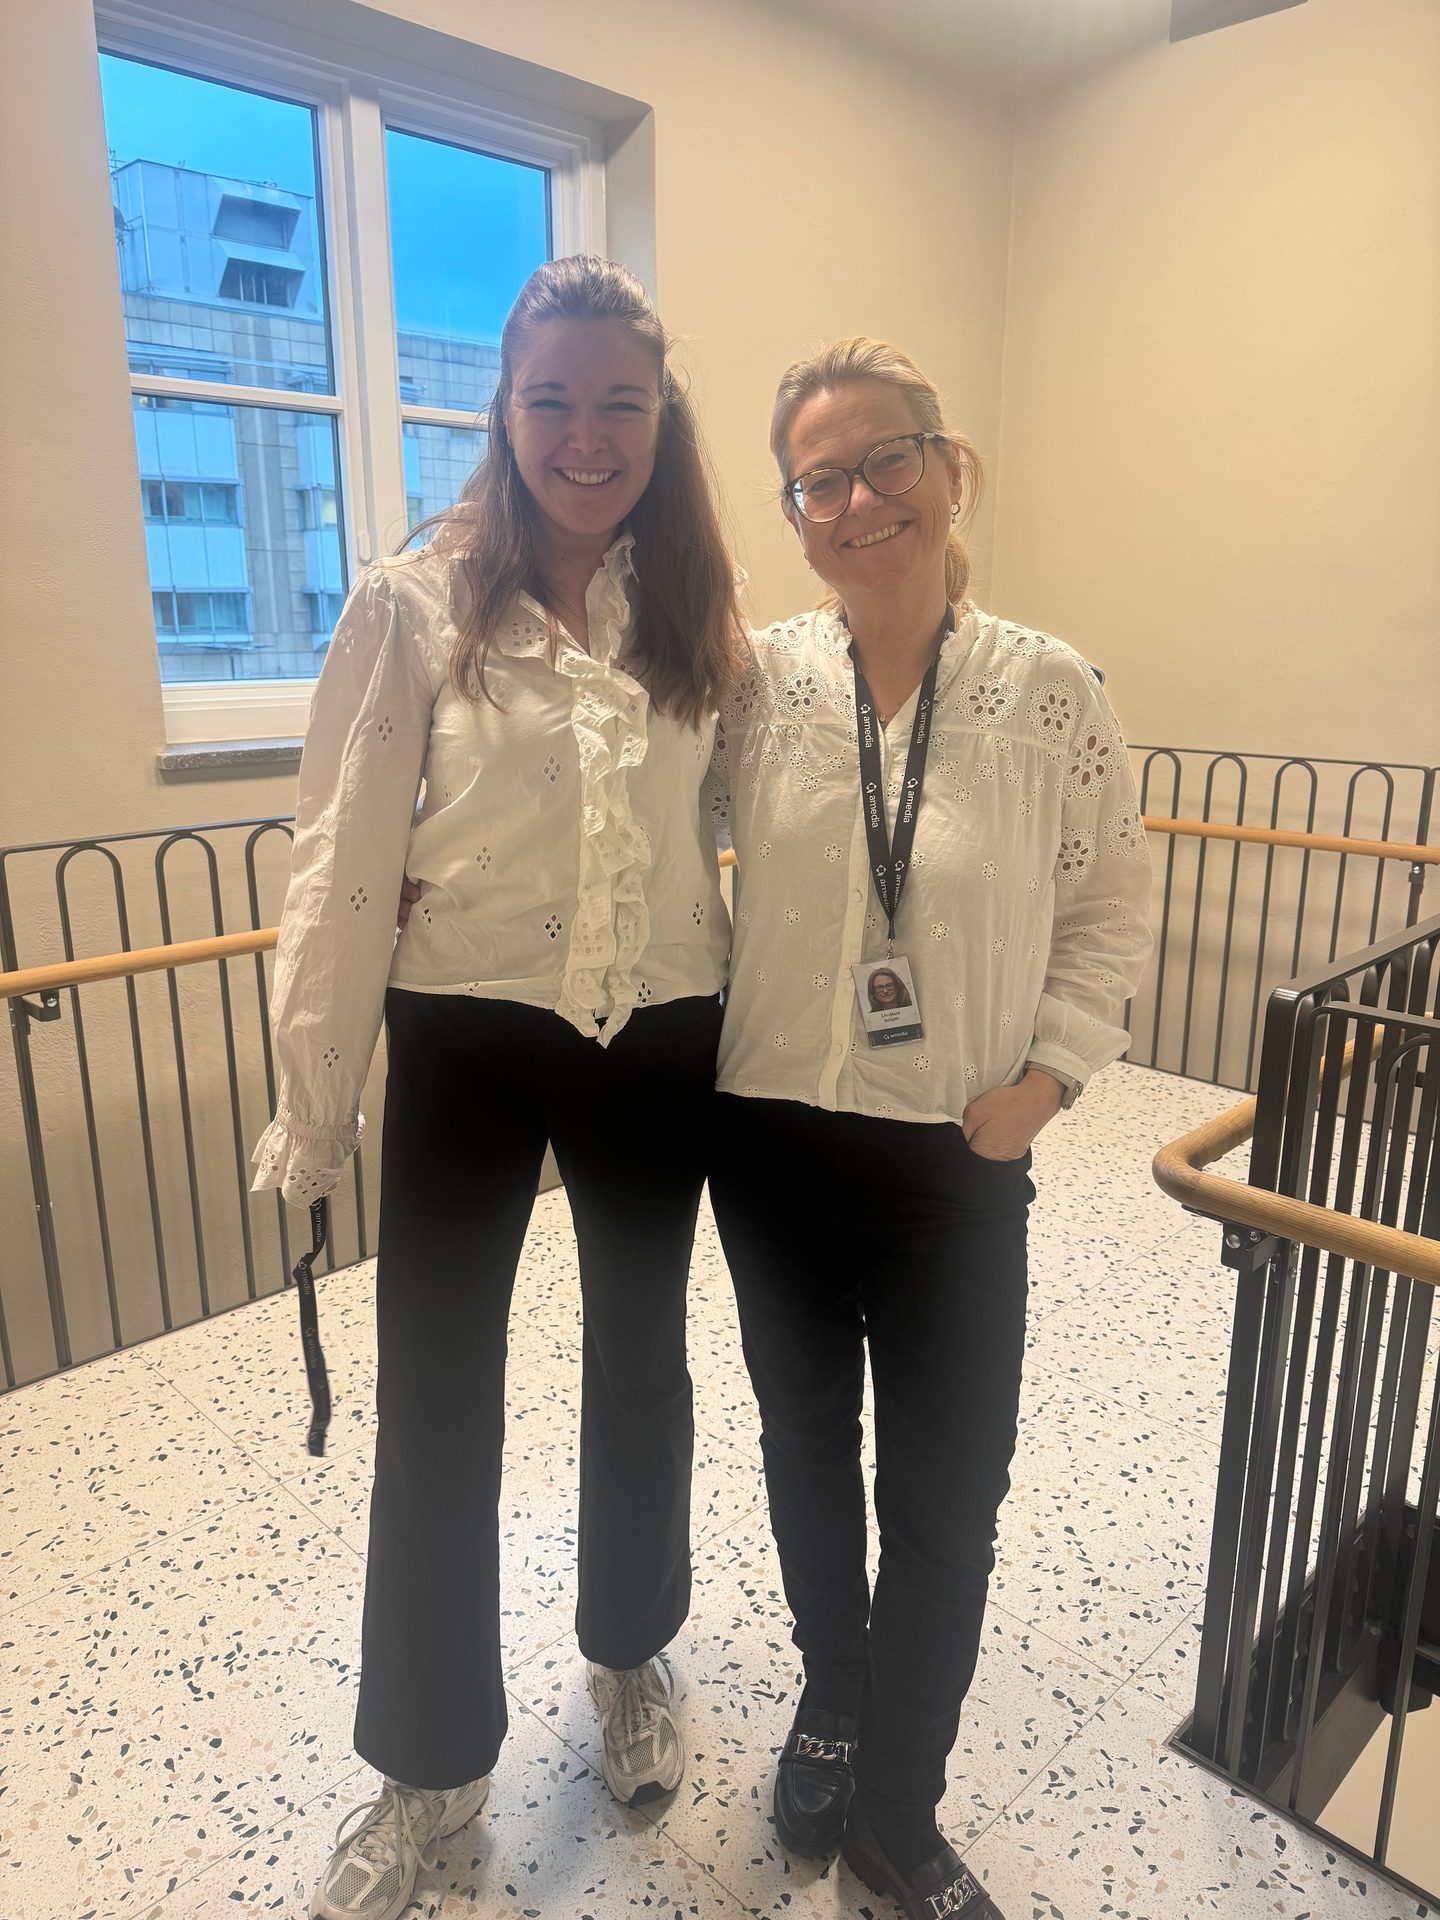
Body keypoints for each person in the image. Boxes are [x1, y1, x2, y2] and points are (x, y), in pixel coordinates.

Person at [250, 254, 747, 1920]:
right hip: (462, 1024)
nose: (588, 435)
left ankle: (630, 1657)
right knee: (440, 1400)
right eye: (556, 399)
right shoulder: (413, 598)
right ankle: (424, 1764)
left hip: (659, 1024)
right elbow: (340, 857)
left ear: (658, 418)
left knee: (643, 1362)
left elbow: (759, 833)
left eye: (622, 403)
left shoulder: (699, 610)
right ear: (505, 409)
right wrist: (313, 1097)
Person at [705, 338, 1153, 1920]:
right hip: (767, 1147)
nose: (858, 497)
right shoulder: (756, 682)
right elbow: (630, 841)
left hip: (955, 1160)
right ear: (796, 515)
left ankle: (900, 1808)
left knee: (949, 1497)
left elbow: (1108, 912)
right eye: (820, 478)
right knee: (805, 1451)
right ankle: (835, 1701)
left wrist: (1048, 1086)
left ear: (948, 470)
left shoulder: (1052, 691)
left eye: (887, 457)